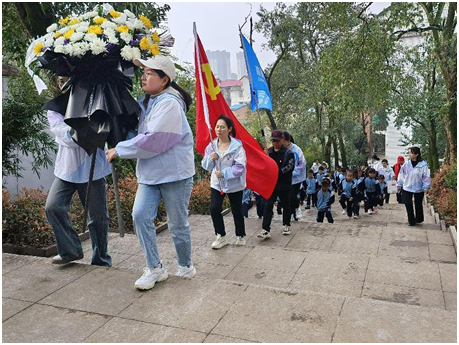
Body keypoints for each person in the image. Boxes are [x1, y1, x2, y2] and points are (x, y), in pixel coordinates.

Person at [105, 55, 196, 290]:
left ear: (164, 79)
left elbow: (154, 140)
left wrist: (120, 149)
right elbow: (139, 134)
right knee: (140, 215)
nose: (143, 77)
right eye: (142, 72)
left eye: (149, 73)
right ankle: (154, 267)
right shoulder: (148, 101)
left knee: (177, 224)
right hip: (150, 174)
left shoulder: (169, 104)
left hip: (174, 175)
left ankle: (185, 265)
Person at [45, 76, 112, 267]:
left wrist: (96, 127)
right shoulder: (54, 108)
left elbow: (104, 127)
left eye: (67, 79)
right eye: (59, 80)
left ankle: (101, 259)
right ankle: (70, 250)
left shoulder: (95, 102)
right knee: (53, 207)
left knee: (97, 218)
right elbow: (65, 136)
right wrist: (86, 129)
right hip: (66, 169)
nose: (63, 83)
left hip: (94, 168)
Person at [201, 115, 247, 248]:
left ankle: (240, 235)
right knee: (214, 208)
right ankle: (220, 235)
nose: (219, 129)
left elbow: (239, 167)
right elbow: (206, 166)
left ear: (229, 129)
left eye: (222, 127)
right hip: (217, 184)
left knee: (236, 210)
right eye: (217, 127)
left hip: (234, 184)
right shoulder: (212, 146)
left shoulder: (237, 147)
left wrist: (224, 173)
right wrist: (211, 158)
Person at [257, 130, 295, 238]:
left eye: (277, 141)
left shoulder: (289, 153)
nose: (275, 143)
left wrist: (276, 172)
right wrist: (265, 157)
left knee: (286, 205)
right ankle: (265, 229)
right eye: (273, 141)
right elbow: (263, 166)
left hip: (284, 184)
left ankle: (286, 224)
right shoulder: (268, 152)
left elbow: (290, 167)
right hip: (272, 185)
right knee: (268, 205)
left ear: (283, 140)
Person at [397, 147, 431, 226]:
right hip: (407, 187)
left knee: (418, 204)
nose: (410, 154)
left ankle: (419, 219)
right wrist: (399, 184)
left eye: (411, 153)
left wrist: (426, 187)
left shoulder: (423, 165)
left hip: (418, 188)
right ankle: (411, 221)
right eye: (409, 153)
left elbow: (426, 176)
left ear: (417, 154)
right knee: (407, 203)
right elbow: (401, 174)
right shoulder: (406, 164)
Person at [284, 131, 306, 221]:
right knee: (288, 198)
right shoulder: (282, 149)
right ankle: (291, 214)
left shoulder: (296, 149)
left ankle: (297, 208)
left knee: (293, 196)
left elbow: (302, 162)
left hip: (296, 178)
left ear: (288, 140)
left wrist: (295, 171)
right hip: (286, 178)